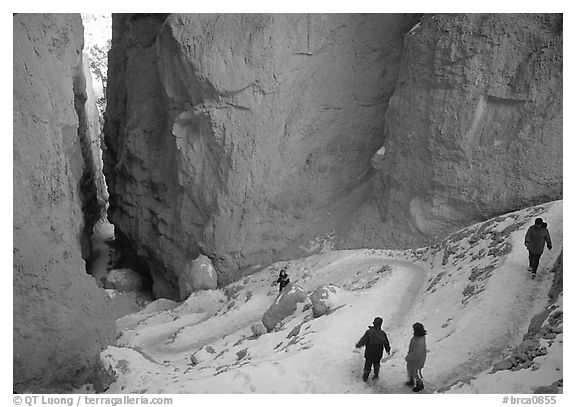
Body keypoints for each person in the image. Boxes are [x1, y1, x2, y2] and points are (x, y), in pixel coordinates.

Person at [355, 317, 391, 382]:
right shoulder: (382, 333)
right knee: (377, 363)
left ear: (374, 323)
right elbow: (386, 342)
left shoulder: (369, 332)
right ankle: (376, 375)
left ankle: (365, 376)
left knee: (368, 363)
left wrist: (359, 345)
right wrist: (388, 350)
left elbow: (364, 340)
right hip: (379, 351)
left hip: (370, 351)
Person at [405, 322, 427, 392]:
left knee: (415, 372)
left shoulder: (420, 340)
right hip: (413, 358)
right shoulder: (417, 337)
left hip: (417, 359)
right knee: (410, 369)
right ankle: (412, 380)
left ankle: (420, 385)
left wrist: (409, 357)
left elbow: (417, 353)